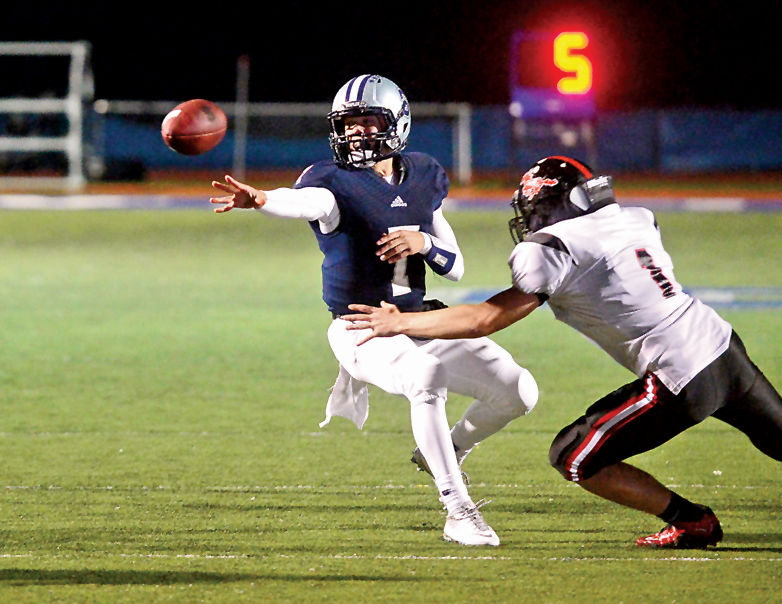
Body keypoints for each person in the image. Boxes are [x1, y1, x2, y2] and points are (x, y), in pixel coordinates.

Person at [342, 155, 782, 548]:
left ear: (551, 204)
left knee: (572, 456)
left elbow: (487, 317)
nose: (528, 220)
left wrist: (402, 321)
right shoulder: (637, 218)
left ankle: (690, 520)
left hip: (679, 374)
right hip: (721, 345)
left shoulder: (548, 250)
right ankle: (693, 518)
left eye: (532, 208)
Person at [209, 74, 538, 546]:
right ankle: (458, 508)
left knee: (518, 392)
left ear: (397, 124)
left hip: (419, 318)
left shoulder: (423, 174)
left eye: (368, 121)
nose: (358, 132)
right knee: (426, 376)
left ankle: (448, 449)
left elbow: (457, 268)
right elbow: (302, 202)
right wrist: (262, 199)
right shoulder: (332, 183)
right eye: (349, 124)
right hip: (362, 327)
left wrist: (423, 241)